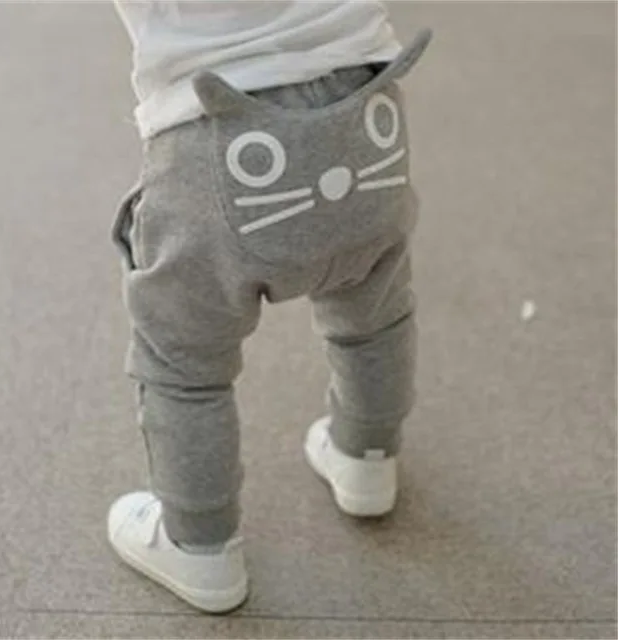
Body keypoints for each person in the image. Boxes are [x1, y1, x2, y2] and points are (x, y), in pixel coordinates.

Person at [109, 0, 431, 613]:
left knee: (185, 361)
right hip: (367, 113)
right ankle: (367, 455)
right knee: (376, 315)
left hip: (214, 131)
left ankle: (198, 545)